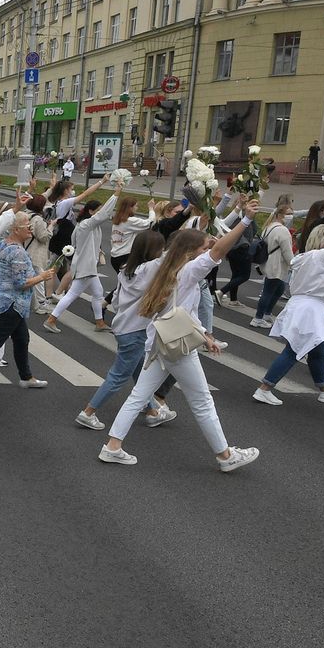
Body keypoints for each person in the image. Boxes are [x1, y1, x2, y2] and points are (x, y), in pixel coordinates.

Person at [97, 200, 261, 472]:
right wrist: (245, 220)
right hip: (177, 345)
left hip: (158, 339)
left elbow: (185, 310)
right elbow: (220, 250)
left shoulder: (162, 266)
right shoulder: (188, 270)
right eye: (202, 249)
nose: (206, 252)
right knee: (202, 401)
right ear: (190, 252)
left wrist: (205, 335)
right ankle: (225, 456)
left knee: (139, 396)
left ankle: (112, 446)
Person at [252, 218, 324, 405]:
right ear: (322, 241)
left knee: (318, 351)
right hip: (309, 311)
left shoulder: (310, 257)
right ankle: (264, 389)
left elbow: (321, 292)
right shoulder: (322, 257)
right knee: (294, 350)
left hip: (306, 308)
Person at [76, 229, 176, 431]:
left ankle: (152, 412)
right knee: (118, 376)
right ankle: (88, 412)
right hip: (135, 331)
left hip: (123, 327)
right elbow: (172, 255)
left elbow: (114, 301)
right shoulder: (151, 268)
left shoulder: (127, 269)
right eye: (160, 247)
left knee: (140, 372)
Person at [0, 210, 58, 390]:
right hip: (13, 305)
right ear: (16, 229)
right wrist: (43, 276)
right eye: (27, 226)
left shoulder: (0, 245)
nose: (31, 229)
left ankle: (27, 377)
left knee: (22, 339)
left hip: (7, 301)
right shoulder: (18, 253)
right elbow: (21, 283)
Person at [44, 176, 116, 333]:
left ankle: (99, 322)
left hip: (86, 265)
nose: (100, 214)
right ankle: (51, 319)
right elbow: (103, 214)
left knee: (97, 293)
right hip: (85, 266)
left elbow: (77, 242)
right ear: (91, 212)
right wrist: (116, 193)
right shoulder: (87, 224)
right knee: (71, 295)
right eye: (97, 211)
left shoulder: (86, 225)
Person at [250, 196, 295, 328]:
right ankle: (258, 318)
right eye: (288, 214)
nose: (291, 216)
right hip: (276, 265)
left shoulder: (270, 226)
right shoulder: (283, 230)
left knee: (279, 288)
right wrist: (293, 264)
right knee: (268, 292)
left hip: (269, 263)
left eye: (292, 214)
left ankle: (267, 314)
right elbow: (287, 252)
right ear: (280, 215)